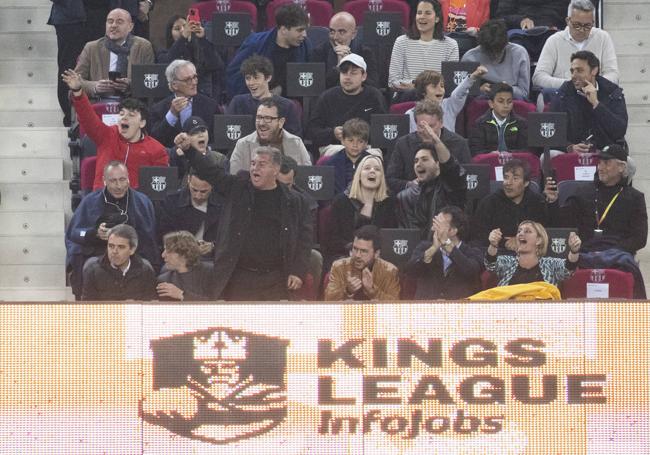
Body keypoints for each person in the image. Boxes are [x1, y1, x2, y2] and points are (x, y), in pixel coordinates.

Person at [177, 144, 312, 300]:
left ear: (276, 169)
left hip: (276, 278)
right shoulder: (238, 188)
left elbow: (305, 239)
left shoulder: (295, 201)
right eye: (253, 164)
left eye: (262, 164)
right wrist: (189, 150)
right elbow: (211, 172)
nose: (255, 168)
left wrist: (298, 271)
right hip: (239, 276)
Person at [62, 69, 168, 190]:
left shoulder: (157, 150)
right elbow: (88, 118)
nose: (124, 118)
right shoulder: (107, 135)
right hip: (103, 202)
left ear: (142, 123)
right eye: (122, 114)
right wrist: (78, 91)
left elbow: (159, 191)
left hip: (135, 205)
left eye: (131, 115)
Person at [65, 161, 159, 299]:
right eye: (113, 181)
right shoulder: (90, 201)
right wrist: (94, 233)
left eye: (122, 180)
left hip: (134, 254)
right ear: (104, 181)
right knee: (89, 266)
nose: (119, 186)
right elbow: (75, 232)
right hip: (98, 255)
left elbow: (150, 237)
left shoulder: (142, 202)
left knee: (147, 266)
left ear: (129, 179)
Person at [546, 144, 647, 255]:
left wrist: (612, 252)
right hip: (583, 253)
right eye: (599, 163)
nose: (600, 168)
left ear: (621, 167)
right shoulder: (582, 192)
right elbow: (562, 225)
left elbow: (639, 238)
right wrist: (553, 202)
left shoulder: (635, 198)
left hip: (618, 257)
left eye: (606, 163)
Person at [549, 50, 627, 157]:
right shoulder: (563, 93)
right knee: (549, 156)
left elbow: (619, 130)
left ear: (594, 70)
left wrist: (596, 104)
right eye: (572, 71)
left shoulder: (612, 93)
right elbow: (553, 132)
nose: (573, 76)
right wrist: (570, 147)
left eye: (579, 70)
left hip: (604, 151)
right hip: (573, 151)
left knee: (630, 164)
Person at [226, 3, 311, 98]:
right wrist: (261, 91)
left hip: (288, 102)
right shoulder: (255, 44)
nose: (304, 35)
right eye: (299, 30)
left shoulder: (305, 45)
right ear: (283, 29)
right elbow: (234, 75)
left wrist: (282, 90)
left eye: (305, 30)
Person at [533, 0, 619, 93]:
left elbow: (613, 74)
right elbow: (538, 77)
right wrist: (572, 84)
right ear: (568, 21)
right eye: (577, 25)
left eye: (587, 26)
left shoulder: (603, 38)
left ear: (593, 22)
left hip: (595, 95)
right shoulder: (554, 41)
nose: (582, 30)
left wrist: (594, 84)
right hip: (563, 97)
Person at [325, 155, 397, 267]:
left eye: (377, 169)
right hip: (346, 256)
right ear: (358, 175)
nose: (372, 171)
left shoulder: (390, 202)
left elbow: (392, 236)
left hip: (379, 258)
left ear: (382, 177)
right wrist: (354, 250)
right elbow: (331, 239)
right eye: (367, 168)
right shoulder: (341, 201)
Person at [387, 99, 470, 194]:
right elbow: (391, 179)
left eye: (431, 126)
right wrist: (410, 185)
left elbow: (466, 179)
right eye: (421, 126)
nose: (427, 131)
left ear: (441, 123)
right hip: (414, 200)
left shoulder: (459, 144)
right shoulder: (403, 144)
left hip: (448, 200)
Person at [307, 54, 386, 153]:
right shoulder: (327, 97)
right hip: (335, 147)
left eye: (353, 73)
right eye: (344, 72)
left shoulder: (374, 96)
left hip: (365, 147)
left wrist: (360, 136)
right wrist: (332, 133)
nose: (348, 77)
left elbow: (382, 131)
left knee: (374, 153)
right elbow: (312, 131)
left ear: (364, 76)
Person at [73, 8, 155, 99]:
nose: (113, 25)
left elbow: (150, 80)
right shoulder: (91, 47)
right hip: (100, 103)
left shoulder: (143, 46)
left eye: (119, 22)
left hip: (133, 104)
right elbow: (76, 80)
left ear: (130, 27)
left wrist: (130, 85)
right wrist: (95, 87)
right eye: (110, 22)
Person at [388, 0, 459, 102]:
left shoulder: (450, 45)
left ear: (437, 18)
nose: (422, 17)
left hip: (437, 97)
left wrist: (420, 86)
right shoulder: (401, 42)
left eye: (428, 13)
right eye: (419, 13)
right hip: (409, 96)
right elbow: (393, 81)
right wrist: (422, 88)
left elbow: (449, 82)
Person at [471, 159, 550, 250]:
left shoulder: (538, 202)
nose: (508, 183)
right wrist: (504, 243)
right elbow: (477, 237)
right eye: (506, 177)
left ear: (526, 183)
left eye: (515, 178)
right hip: (498, 254)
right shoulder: (489, 202)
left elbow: (546, 234)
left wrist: (521, 241)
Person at [405, 206, 483, 299]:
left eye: (439, 224)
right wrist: (433, 249)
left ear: (453, 231)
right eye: (434, 223)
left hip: (459, 309)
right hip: (426, 309)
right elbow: (410, 272)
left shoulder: (472, 252)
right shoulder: (424, 247)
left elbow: (471, 272)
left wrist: (447, 244)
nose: (433, 228)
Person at [396, 143, 466, 238]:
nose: (418, 164)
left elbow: (454, 170)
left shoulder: (450, 187)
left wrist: (436, 141)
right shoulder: (405, 196)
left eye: (424, 159)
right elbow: (407, 236)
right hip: (418, 251)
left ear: (437, 164)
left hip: (448, 247)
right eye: (416, 161)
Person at [148, 60, 221, 148]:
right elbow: (155, 141)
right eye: (188, 80)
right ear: (175, 85)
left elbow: (218, 141)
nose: (194, 82)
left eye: (195, 77)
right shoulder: (159, 109)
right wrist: (172, 114)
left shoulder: (210, 106)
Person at [229, 98, 311, 175]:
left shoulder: (296, 143)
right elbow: (234, 180)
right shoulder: (243, 145)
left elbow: (305, 176)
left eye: (268, 118)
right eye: (259, 117)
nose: (261, 123)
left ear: (281, 122)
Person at [485, 221, 581, 286]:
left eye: (527, 231)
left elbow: (568, 269)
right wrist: (493, 245)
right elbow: (491, 265)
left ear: (539, 240)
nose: (521, 234)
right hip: (510, 312)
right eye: (519, 231)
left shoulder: (550, 264)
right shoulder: (507, 262)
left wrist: (574, 251)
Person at [226, 55, 302, 136]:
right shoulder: (238, 103)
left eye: (256, 78)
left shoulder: (287, 106)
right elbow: (227, 134)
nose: (251, 83)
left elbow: (294, 139)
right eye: (248, 78)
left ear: (268, 78)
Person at [157, 168, 223, 260]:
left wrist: (213, 246)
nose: (198, 196)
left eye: (204, 191)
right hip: (180, 257)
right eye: (194, 190)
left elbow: (229, 236)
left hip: (212, 259)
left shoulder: (224, 202)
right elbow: (164, 234)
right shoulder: (172, 201)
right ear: (188, 180)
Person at [81, 224, 157, 301]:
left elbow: (150, 307)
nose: (114, 251)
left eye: (121, 247)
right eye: (111, 246)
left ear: (132, 250)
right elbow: (87, 308)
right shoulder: (93, 271)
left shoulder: (145, 271)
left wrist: (134, 306)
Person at [156, 14, 225, 99]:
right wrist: (183, 38)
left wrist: (202, 39)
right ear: (170, 33)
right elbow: (169, 62)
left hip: (201, 97)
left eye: (185, 27)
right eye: (177, 29)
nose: (182, 30)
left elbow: (216, 65)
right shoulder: (163, 52)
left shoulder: (199, 48)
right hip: (174, 97)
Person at [324, 225, 400, 301]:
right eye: (355, 249)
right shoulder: (339, 267)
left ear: (376, 253)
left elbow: (395, 305)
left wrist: (372, 291)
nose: (357, 255)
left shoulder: (389, 271)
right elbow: (327, 300)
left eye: (364, 251)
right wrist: (347, 290)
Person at [461, 19, 531, 100]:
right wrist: (479, 91)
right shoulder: (470, 57)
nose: (495, 55)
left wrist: (506, 89)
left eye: (499, 50)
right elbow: (460, 94)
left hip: (511, 103)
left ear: (506, 44)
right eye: (490, 51)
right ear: (481, 46)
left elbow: (524, 94)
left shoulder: (519, 54)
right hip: (481, 103)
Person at [406, 65, 488, 133]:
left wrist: (473, 77)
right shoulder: (410, 114)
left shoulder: (449, 105)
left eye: (442, 86)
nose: (440, 89)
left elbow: (459, 93)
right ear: (423, 91)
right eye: (434, 86)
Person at [310, 12, 378, 89]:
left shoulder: (365, 52)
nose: (335, 37)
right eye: (332, 31)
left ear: (354, 34)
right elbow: (316, 86)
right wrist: (338, 67)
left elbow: (373, 86)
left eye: (341, 32)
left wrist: (350, 62)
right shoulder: (319, 52)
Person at [48, 0, 86, 126]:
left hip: (83, 16)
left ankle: (77, 111)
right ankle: (69, 112)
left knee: (80, 64)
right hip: (68, 18)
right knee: (68, 65)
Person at [468, 83, 529, 155]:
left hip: (513, 164)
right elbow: (475, 152)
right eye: (501, 101)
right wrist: (490, 154)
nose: (506, 106)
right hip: (489, 163)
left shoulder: (522, 123)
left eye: (509, 102)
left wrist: (510, 154)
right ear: (491, 104)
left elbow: (525, 151)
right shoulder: (479, 124)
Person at [156, 231, 214, 301]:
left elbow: (218, 306)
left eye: (169, 251)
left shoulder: (210, 273)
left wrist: (182, 295)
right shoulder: (164, 280)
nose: (163, 255)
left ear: (184, 254)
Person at [170, 116, 229, 180]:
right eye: (195, 133)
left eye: (203, 130)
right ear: (185, 137)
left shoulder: (220, 160)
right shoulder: (177, 156)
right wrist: (182, 157)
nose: (201, 135)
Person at [325, 118, 371, 195]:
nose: (355, 145)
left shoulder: (372, 163)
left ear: (366, 144)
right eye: (350, 140)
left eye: (360, 141)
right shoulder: (332, 163)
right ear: (342, 140)